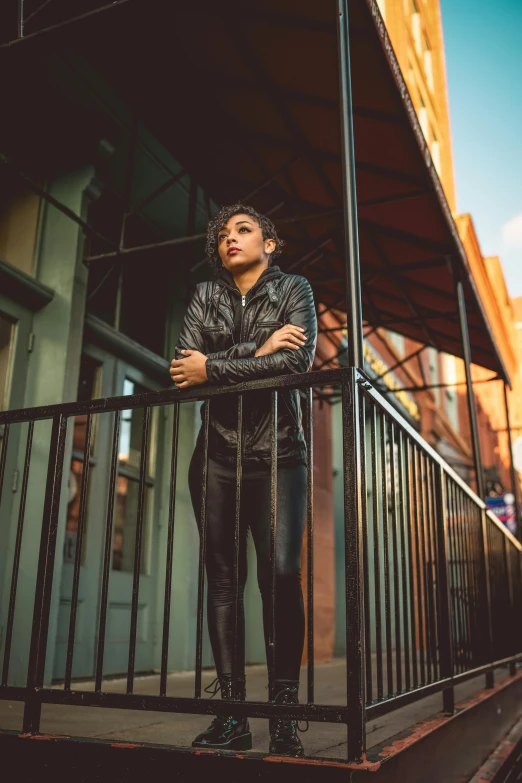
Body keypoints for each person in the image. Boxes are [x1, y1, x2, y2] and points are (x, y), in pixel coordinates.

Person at [170, 203, 317, 757]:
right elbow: (187, 375)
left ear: (270, 243)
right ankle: (232, 715)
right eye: (224, 234)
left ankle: (282, 714)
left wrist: (216, 366)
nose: (231, 238)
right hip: (215, 459)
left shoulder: (294, 290)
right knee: (224, 583)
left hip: (280, 455)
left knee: (280, 574)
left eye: (244, 229)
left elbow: (296, 364)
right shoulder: (205, 296)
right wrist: (255, 352)